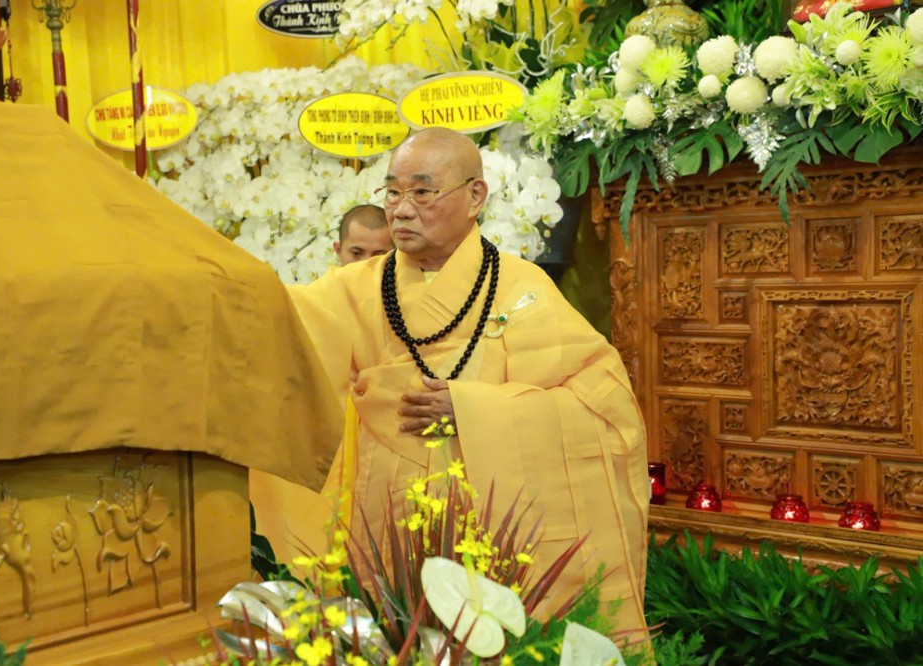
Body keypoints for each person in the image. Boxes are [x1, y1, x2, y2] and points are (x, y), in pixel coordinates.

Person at [253, 127, 650, 637]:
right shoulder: (354, 289)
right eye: (392, 192)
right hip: (381, 522)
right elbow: (276, 332)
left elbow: (603, 405)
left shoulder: (521, 287)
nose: (401, 209)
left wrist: (474, 410)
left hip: (487, 527)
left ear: (475, 196)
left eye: (422, 191)